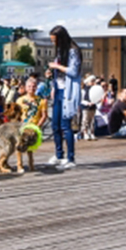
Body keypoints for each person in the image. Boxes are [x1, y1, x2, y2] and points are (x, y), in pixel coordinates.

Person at [47, 25, 81, 170]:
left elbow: (73, 71)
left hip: (68, 91)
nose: (54, 43)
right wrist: (52, 78)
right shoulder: (61, 51)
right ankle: (59, 154)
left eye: (55, 40)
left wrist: (57, 67)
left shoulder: (73, 51)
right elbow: (58, 72)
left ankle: (70, 157)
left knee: (65, 126)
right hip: (59, 89)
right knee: (55, 125)